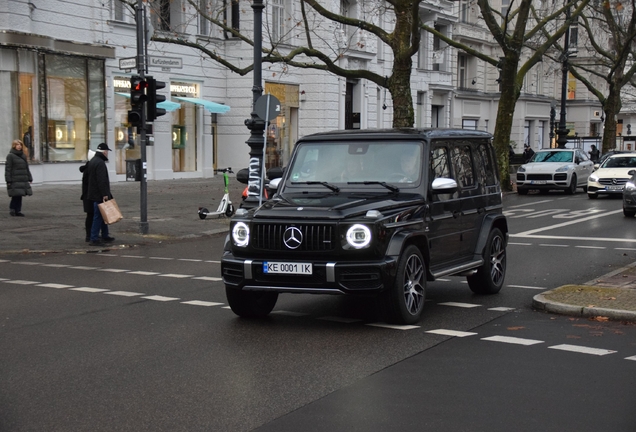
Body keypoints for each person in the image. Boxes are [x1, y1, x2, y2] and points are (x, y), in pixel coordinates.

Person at [85, 143, 115, 246]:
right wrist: (105, 194)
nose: (107, 154)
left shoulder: (93, 161)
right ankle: (94, 238)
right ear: (104, 152)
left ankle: (105, 235)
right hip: (99, 194)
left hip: (93, 193)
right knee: (98, 216)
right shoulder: (100, 163)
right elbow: (102, 180)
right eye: (107, 152)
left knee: (102, 215)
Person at [5, 139, 33, 217]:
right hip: (15, 179)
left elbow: (26, 168)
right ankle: (12, 209)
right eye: (17, 145)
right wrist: (8, 180)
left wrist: (29, 178)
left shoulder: (23, 155)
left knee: (20, 195)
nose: (19, 146)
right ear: (14, 146)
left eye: (20, 145)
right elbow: (8, 169)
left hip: (22, 179)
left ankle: (18, 210)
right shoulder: (10, 156)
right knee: (15, 196)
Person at [79, 150, 96, 242]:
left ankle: (90, 235)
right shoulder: (90, 169)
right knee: (91, 216)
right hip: (89, 196)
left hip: (87, 196)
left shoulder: (87, 168)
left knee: (91, 215)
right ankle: (90, 235)